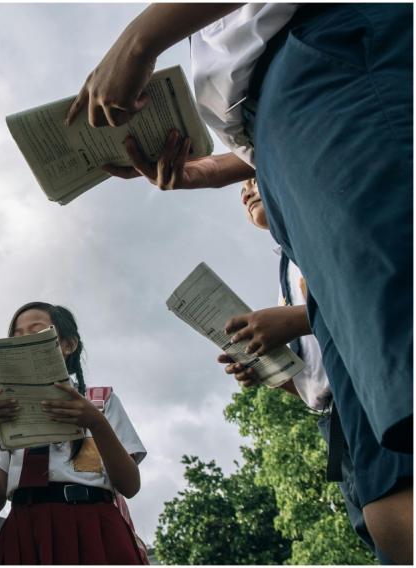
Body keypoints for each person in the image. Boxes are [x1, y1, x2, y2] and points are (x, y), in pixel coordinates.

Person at [66, 4, 412, 562]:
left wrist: (139, 40)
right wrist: (211, 170)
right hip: (280, 122)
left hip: (331, 60)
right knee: (389, 494)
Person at [219, 179, 410, 563]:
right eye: (241, 188)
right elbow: (313, 381)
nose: (246, 190)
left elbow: (371, 291)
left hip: (371, 394)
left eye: (255, 178)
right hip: (335, 423)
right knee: (377, 535)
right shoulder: (285, 268)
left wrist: (295, 319)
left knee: (398, 518)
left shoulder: (324, 230)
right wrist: (267, 373)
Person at [0, 302, 147, 564]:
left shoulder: (101, 401)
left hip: (93, 526)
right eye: (16, 336)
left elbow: (130, 485)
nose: (24, 343)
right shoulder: (3, 411)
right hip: (26, 529)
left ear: (68, 345)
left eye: (35, 332)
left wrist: (96, 423)